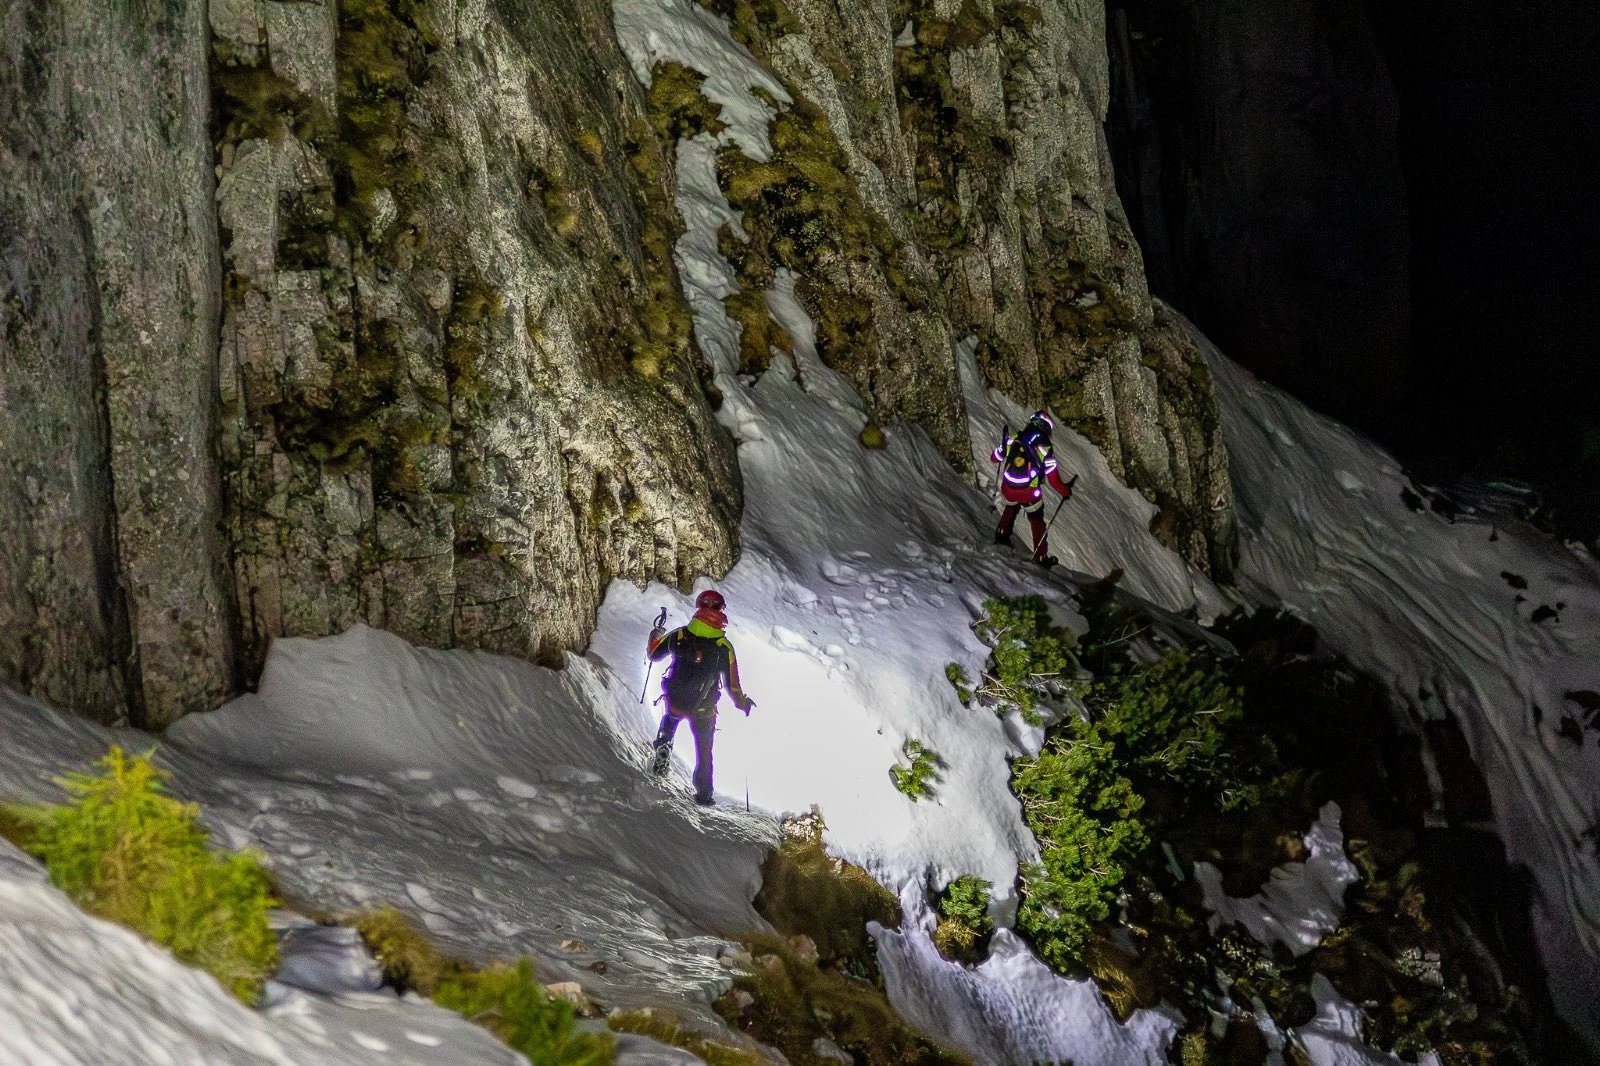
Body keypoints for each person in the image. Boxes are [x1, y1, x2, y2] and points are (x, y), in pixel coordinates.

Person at [647, 589, 755, 805]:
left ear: (699, 607)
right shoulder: (724, 648)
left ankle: (663, 746)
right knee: (704, 752)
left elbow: (653, 654)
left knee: (670, 719)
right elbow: (733, 687)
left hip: (675, 700)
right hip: (704, 711)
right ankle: (704, 795)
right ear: (721, 612)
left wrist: (655, 636)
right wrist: (743, 703)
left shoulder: (679, 635)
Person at [991, 410, 1074, 567]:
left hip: (1008, 487)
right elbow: (1054, 481)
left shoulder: (1015, 437)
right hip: (1029, 493)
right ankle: (1041, 557)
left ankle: (1001, 534)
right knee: (1036, 519)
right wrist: (1066, 491)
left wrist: (1002, 449)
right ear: (1046, 429)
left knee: (1012, 504)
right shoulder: (1045, 447)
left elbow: (994, 458)